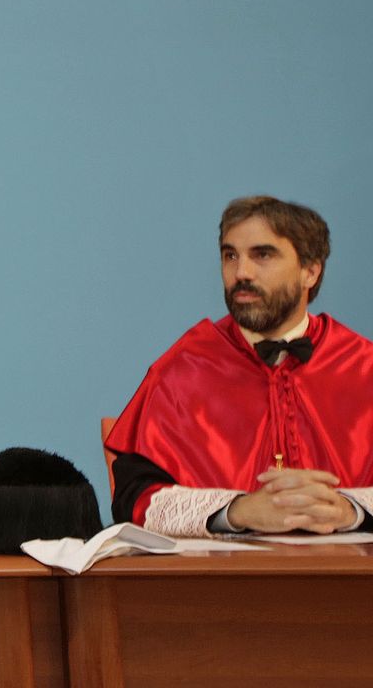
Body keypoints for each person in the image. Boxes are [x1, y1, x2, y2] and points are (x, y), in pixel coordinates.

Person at [106, 196, 373, 537]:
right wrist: (237, 510)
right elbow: (134, 500)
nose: (241, 273)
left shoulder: (364, 366)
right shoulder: (183, 369)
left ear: (310, 271)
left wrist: (349, 509)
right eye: (230, 255)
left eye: (262, 255)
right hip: (217, 587)